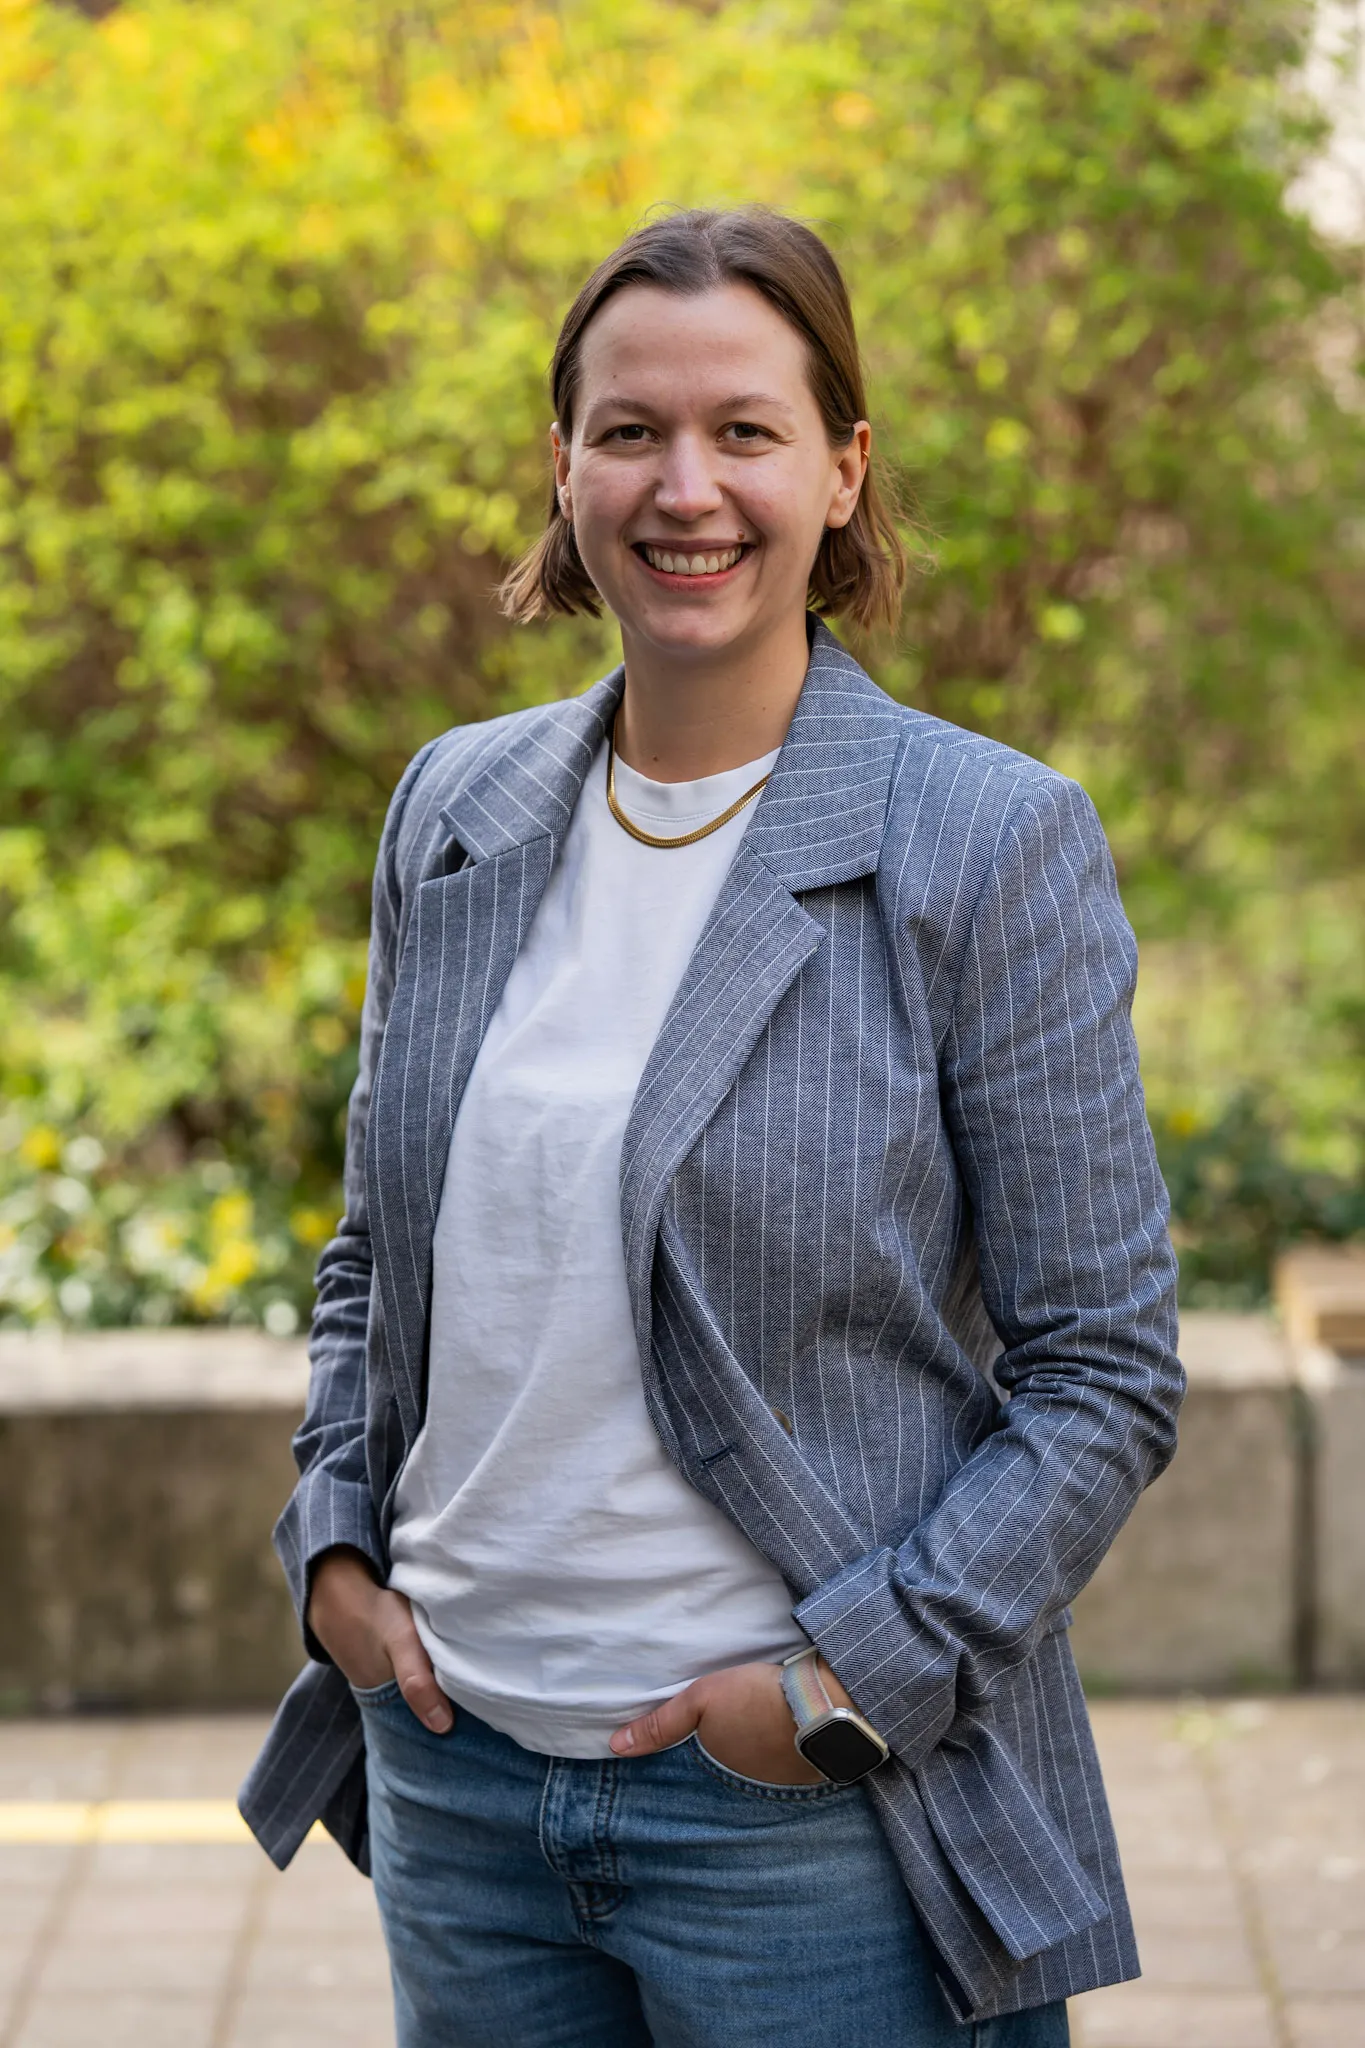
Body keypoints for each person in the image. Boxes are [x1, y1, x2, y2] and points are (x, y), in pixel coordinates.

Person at [241, 207, 1182, 2046]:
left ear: (839, 473)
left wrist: (841, 1683)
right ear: (567, 467)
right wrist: (336, 1549)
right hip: (458, 1781)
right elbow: (381, 1253)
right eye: (631, 432)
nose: (687, 488)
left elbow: (1104, 1372)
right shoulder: (459, 807)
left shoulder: (985, 844)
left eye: (744, 431)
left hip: (803, 1821)